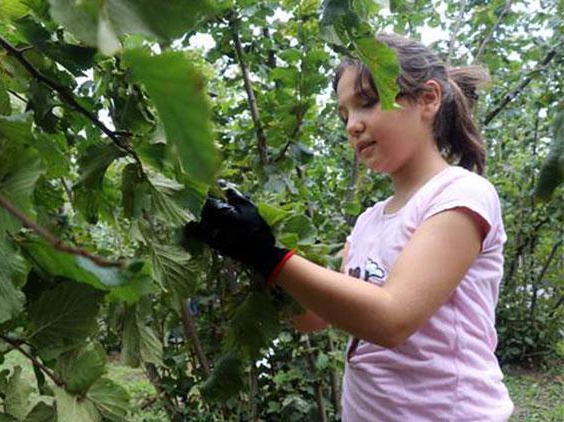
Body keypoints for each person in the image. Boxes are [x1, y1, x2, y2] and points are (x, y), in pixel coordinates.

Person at [188, 33, 514, 421]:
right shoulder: (368, 222)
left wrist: (267, 254)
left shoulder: (461, 194)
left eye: (367, 103)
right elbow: (314, 318)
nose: (352, 126)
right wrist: (250, 252)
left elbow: (391, 319)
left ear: (427, 99)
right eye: (344, 115)